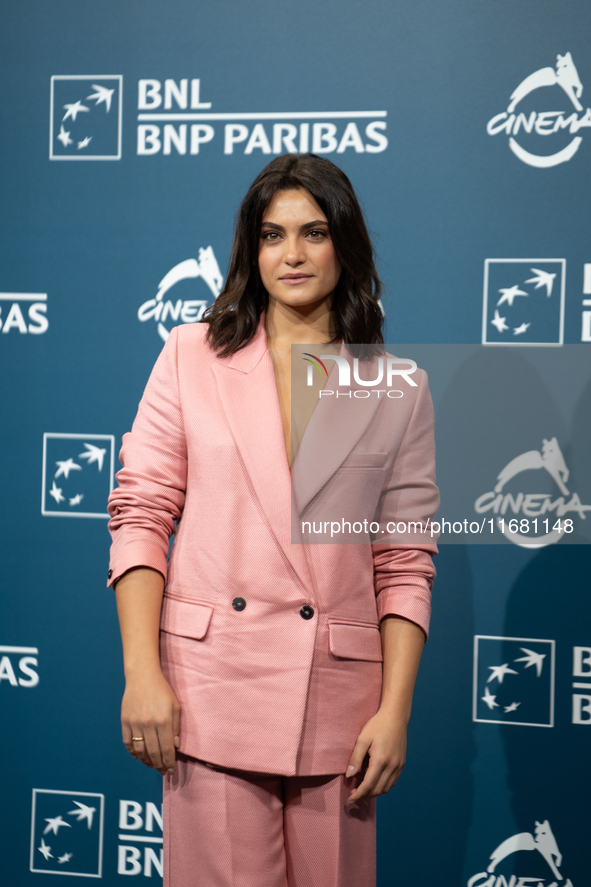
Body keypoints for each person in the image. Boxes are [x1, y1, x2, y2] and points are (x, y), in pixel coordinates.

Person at [107, 153, 439, 887]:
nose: (291, 254)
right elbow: (139, 513)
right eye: (270, 235)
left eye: (313, 232)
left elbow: (403, 561)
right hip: (212, 692)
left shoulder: (397, 387)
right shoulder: (190, 355)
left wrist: (394, 710)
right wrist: (142, 672)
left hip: (341, 713)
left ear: (343, 244)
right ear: (249, 251)